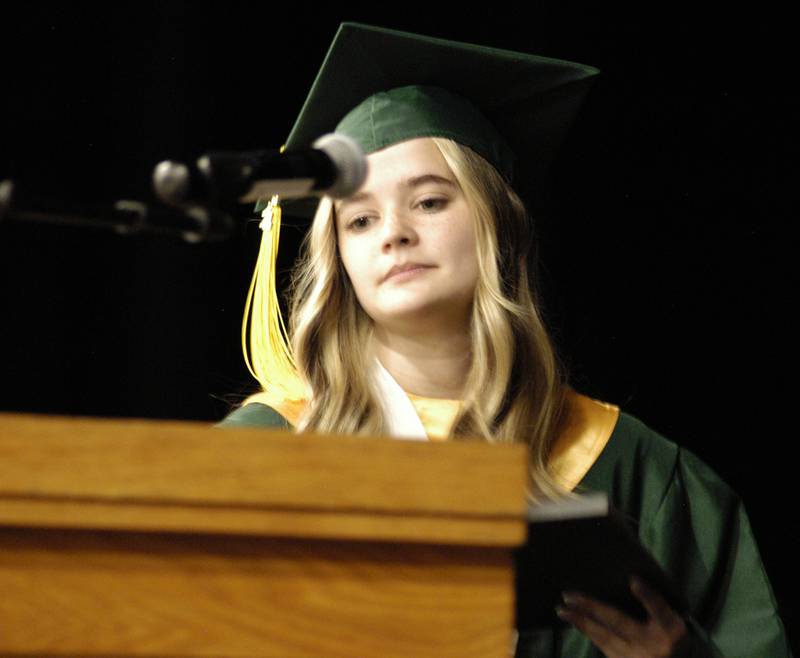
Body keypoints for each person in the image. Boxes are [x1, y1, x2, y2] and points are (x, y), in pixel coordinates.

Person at [219, 23, 792, 657]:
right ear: (340, 258)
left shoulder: (631, 469)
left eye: (430, 202)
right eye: (359, 219)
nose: (394, 233)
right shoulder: (267, 451)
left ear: (498, 222)